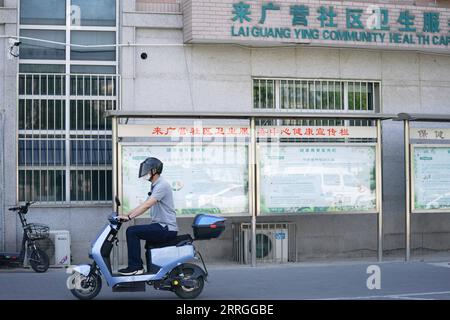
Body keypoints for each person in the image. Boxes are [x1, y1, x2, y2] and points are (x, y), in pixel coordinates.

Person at [117, 157, 178, 275]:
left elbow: (147, 205)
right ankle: (148, 270)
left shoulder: (162, 185)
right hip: (161, 226)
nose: (145, 173)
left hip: (166, 228)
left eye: (147, 170)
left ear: (154, 171)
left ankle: (135, 267)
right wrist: (126, 215)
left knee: (132, 231)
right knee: (140, 236)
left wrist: (129, 218)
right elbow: (144, 204)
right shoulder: (156, 185)